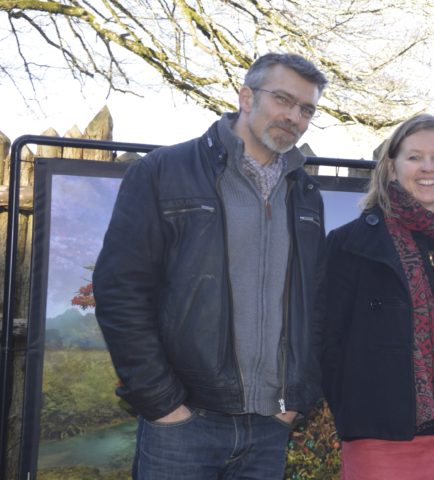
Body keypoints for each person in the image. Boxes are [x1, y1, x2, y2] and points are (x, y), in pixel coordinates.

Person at [93, 52, 328, 478]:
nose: (294, 116)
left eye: (306, 109)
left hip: (270, 427)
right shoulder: (163, 172)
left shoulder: (306, 195)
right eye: (282, 99)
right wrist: (163, 404)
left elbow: (316, 305)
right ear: (246, 97)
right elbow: (119, 290)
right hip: (182, 424)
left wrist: (297, 400)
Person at [320, 113, 434, 479]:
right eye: (415, 157)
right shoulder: (350, 244)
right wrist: (353, 410)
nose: (427, 168)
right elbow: (326, 340)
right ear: (392, 167)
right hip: (379, 440)